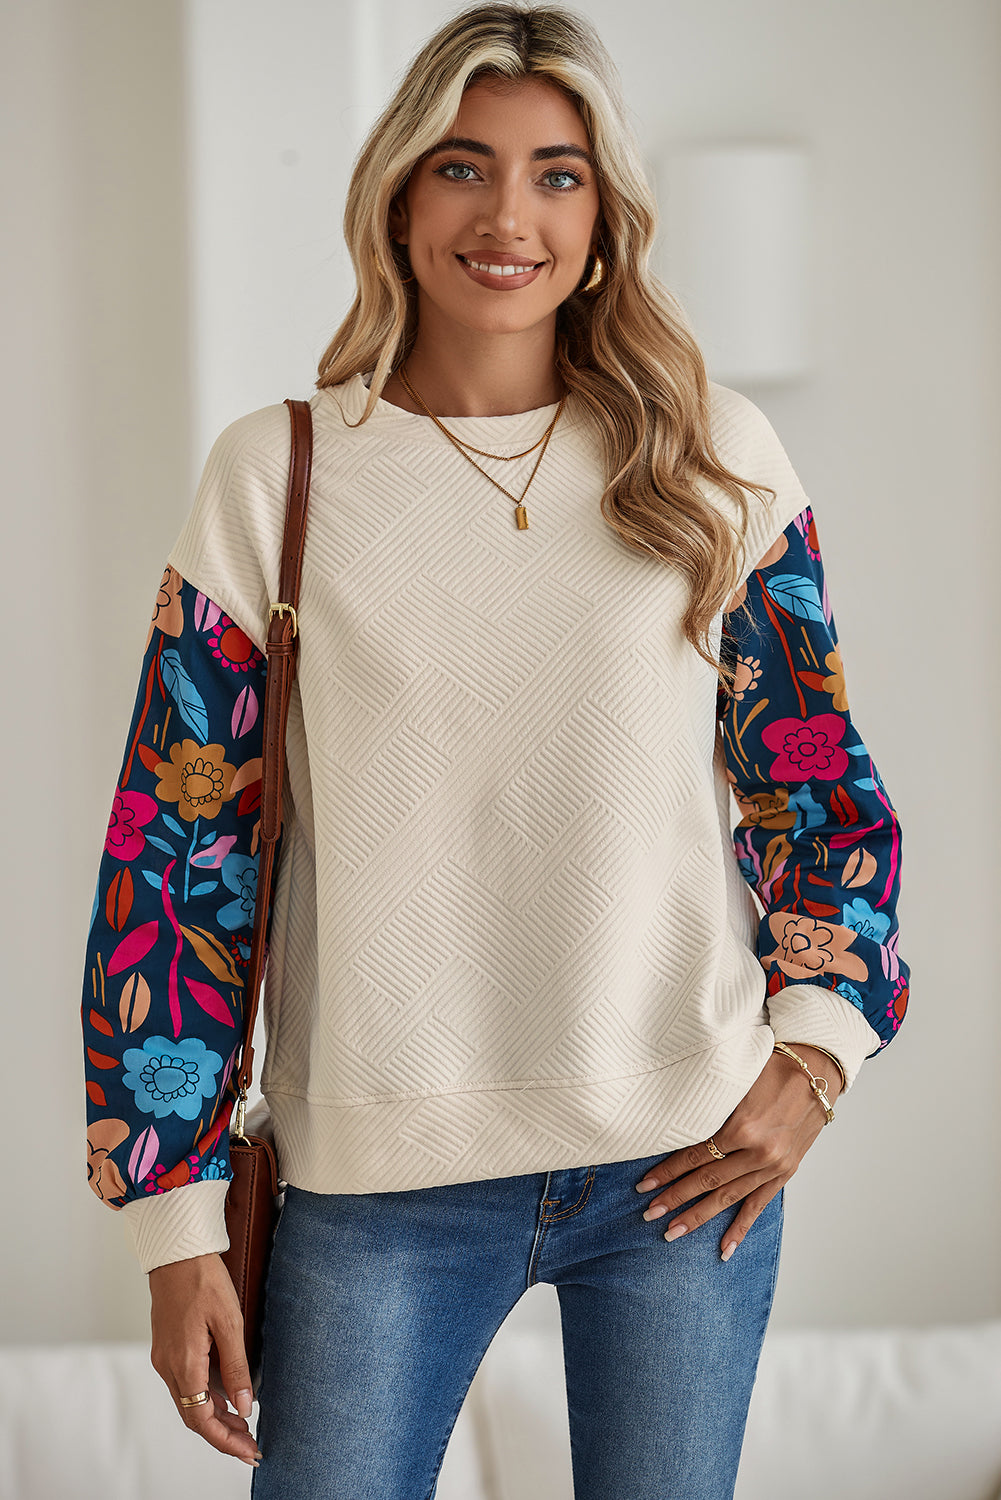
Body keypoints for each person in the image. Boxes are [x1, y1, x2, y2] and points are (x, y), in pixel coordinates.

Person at [80, 5, 909, 1496]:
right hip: (374, 1189)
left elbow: (821, 789)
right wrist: (173, 1227)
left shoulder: (709, 457)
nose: (506, 215)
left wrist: (818, 1055)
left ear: (604, 223)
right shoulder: (277, 476)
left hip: (680, 1163)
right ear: (398, 198)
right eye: (462, 167)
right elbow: (177, 864)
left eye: (556, 175)